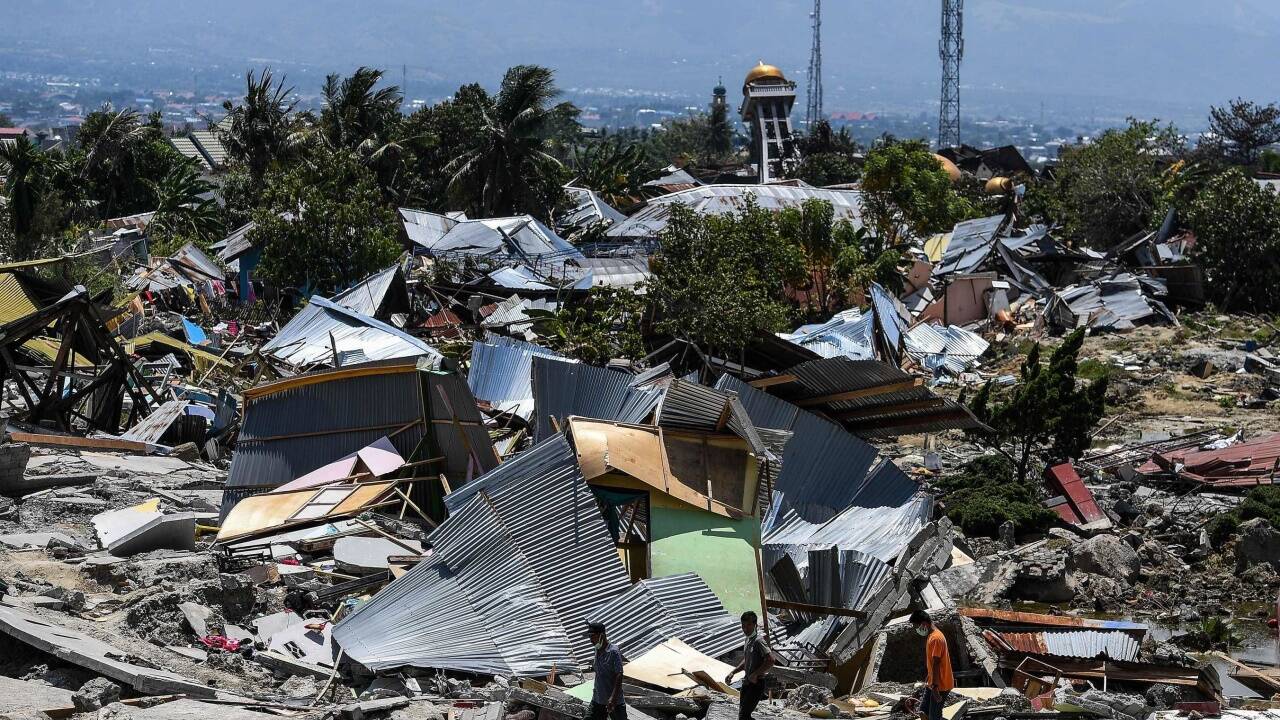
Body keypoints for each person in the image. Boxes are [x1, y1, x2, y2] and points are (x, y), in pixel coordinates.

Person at [725, 610, 775, 720]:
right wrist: (733, 672)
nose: (745, 629)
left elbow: (771, 660)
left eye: (748, 625)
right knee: (742, 714)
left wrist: (755, 674)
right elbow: (747, 660)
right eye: (743, 625)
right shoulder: (748, 640)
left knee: (744, 715)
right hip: (747, 682)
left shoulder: (758, 641)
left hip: (756, 684)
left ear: (755, 625)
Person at [910, 610, 954, 720]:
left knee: (934, 717)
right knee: (923, 712)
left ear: (924, 623)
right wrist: (929, 677)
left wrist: (935, 687)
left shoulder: (936, 638)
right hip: (933, 682)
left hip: (940, 684)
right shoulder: (932, 636)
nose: (916, 629)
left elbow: (936, 663)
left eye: (916, 626)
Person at [587, 621, 626, 720]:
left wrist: (613, 697)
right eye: (589, 637)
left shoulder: (613, 651)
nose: (591, 640)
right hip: (598, 699)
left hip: (614, 701)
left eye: (593, 636)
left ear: (602, 635)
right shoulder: (596, 649)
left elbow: (619, 674)